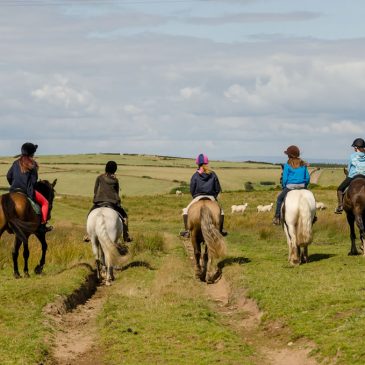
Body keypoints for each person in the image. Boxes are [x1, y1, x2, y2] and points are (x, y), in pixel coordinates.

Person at [7, 142, 53, 232]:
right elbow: (33, 181)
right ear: (32, 153)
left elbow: (8, 176)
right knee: (45, 203)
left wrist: (14, 184)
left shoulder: (15, 163)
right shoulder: (33, 165)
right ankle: (42, 225)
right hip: (26, 190)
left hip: (13, 190)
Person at [179, 153, 227, 238]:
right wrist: (214, 196)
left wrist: (195, 196)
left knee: (186, 211)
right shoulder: (213, 174)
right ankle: (220, 231)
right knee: (221, 212)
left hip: (198, 197)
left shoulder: (195, 175)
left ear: (197, 163)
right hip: (211, 197)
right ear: (207, 163)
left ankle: (187, 231)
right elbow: (217, 188)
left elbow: (192, 189)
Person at [84, 161, 132, 243]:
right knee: (125, 217)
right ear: (115, 170)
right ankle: (126, 236)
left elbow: (95, 191)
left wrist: (97, 198)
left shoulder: (99, 177)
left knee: (89, 215)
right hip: (112, 203)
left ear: (106, 168)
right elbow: (116, 193)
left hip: (99, 202)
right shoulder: (115, 180)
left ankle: (88, 234)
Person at [272, 145, 310, 225]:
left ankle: (277, 217)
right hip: (302, 186)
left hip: (290, 187)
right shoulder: (303, 164)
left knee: (279, 199)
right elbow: (307, 177)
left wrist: (284, 186)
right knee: (310, 199)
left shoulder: (287, 165)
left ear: (289, 155)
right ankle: (314, 216)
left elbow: (285, 178)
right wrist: (305, 185)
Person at [335, 138, 365, 214]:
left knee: (340, 189)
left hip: (353, 176)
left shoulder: (352, 156)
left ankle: (340, 206)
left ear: (355, 147)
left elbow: (349, 168)